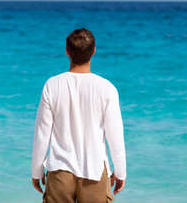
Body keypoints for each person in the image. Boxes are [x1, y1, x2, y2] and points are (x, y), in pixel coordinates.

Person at [31, 28, 126, 203]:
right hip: (94, 172)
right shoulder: (106, 88)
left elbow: (42, 134)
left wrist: (36, 171)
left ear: (67, 51)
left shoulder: (52, 85)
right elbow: (115, 135)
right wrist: (120, 172)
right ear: (94, 51)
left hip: (59, 171)